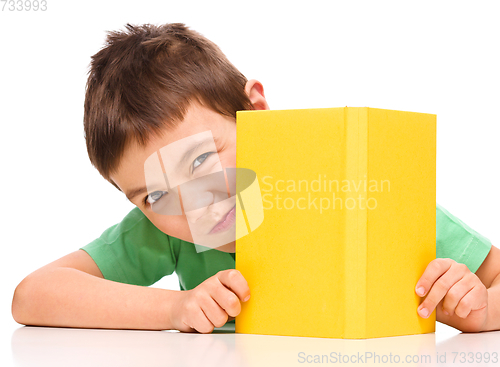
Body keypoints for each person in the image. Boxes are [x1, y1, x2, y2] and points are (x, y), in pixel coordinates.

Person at [11, 23, 500, 334]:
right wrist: (174, 309)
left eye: (199, 161)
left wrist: (477, 310)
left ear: (256, 112)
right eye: (155, 193)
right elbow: (33, 295)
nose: (191, 203)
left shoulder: (359, 196)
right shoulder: (170, 233)